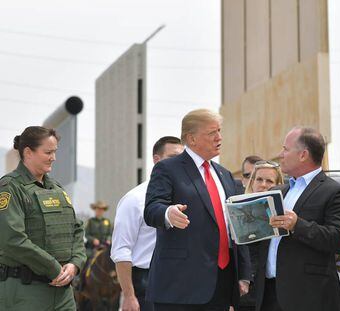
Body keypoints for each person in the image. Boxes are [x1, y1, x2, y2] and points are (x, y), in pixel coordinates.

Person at [144, 109, 251, 311]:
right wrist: (168, 213)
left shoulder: (225, 175)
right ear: (191, 138)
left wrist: (244, 273)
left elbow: (235, 226)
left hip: (221, 283)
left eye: (219, 131)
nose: (219, 137)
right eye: (212, 133)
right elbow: (152, 209)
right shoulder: (167, 169)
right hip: (180, 286)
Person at [256, 127, 340, 311]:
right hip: (269, 294)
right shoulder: (278, 191)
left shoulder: (334, 192)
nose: (280, 154)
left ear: (303, 155)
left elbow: (339, 239)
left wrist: (297, 225)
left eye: (285, 149)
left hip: (308, 297)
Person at [0, 126, 86, 310]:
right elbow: (13, 239)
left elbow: (77, 229)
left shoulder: (56, 188)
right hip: (25, 292)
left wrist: (74, 264)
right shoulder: (11, 188)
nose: (53, 158)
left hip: (63, 293)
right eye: (48, 152)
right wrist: (54, 268)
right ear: (28, 152)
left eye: (54, 152)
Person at [111, 136, 184, 311]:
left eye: (182, 158)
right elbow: (121, 250)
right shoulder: (135, 200)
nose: (179, 163)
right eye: (173, 157)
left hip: (180, 283)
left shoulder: (187, 196)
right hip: (145, 284)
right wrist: (129, 296)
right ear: (157, 160)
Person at [239, 160, 284, 311]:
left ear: (279, 184)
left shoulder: (286, 213)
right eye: (259, 179)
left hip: (272, 290)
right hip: (244, 289)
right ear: (251, 182)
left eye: (269, 181)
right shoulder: (236, 209)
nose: (263, 184)